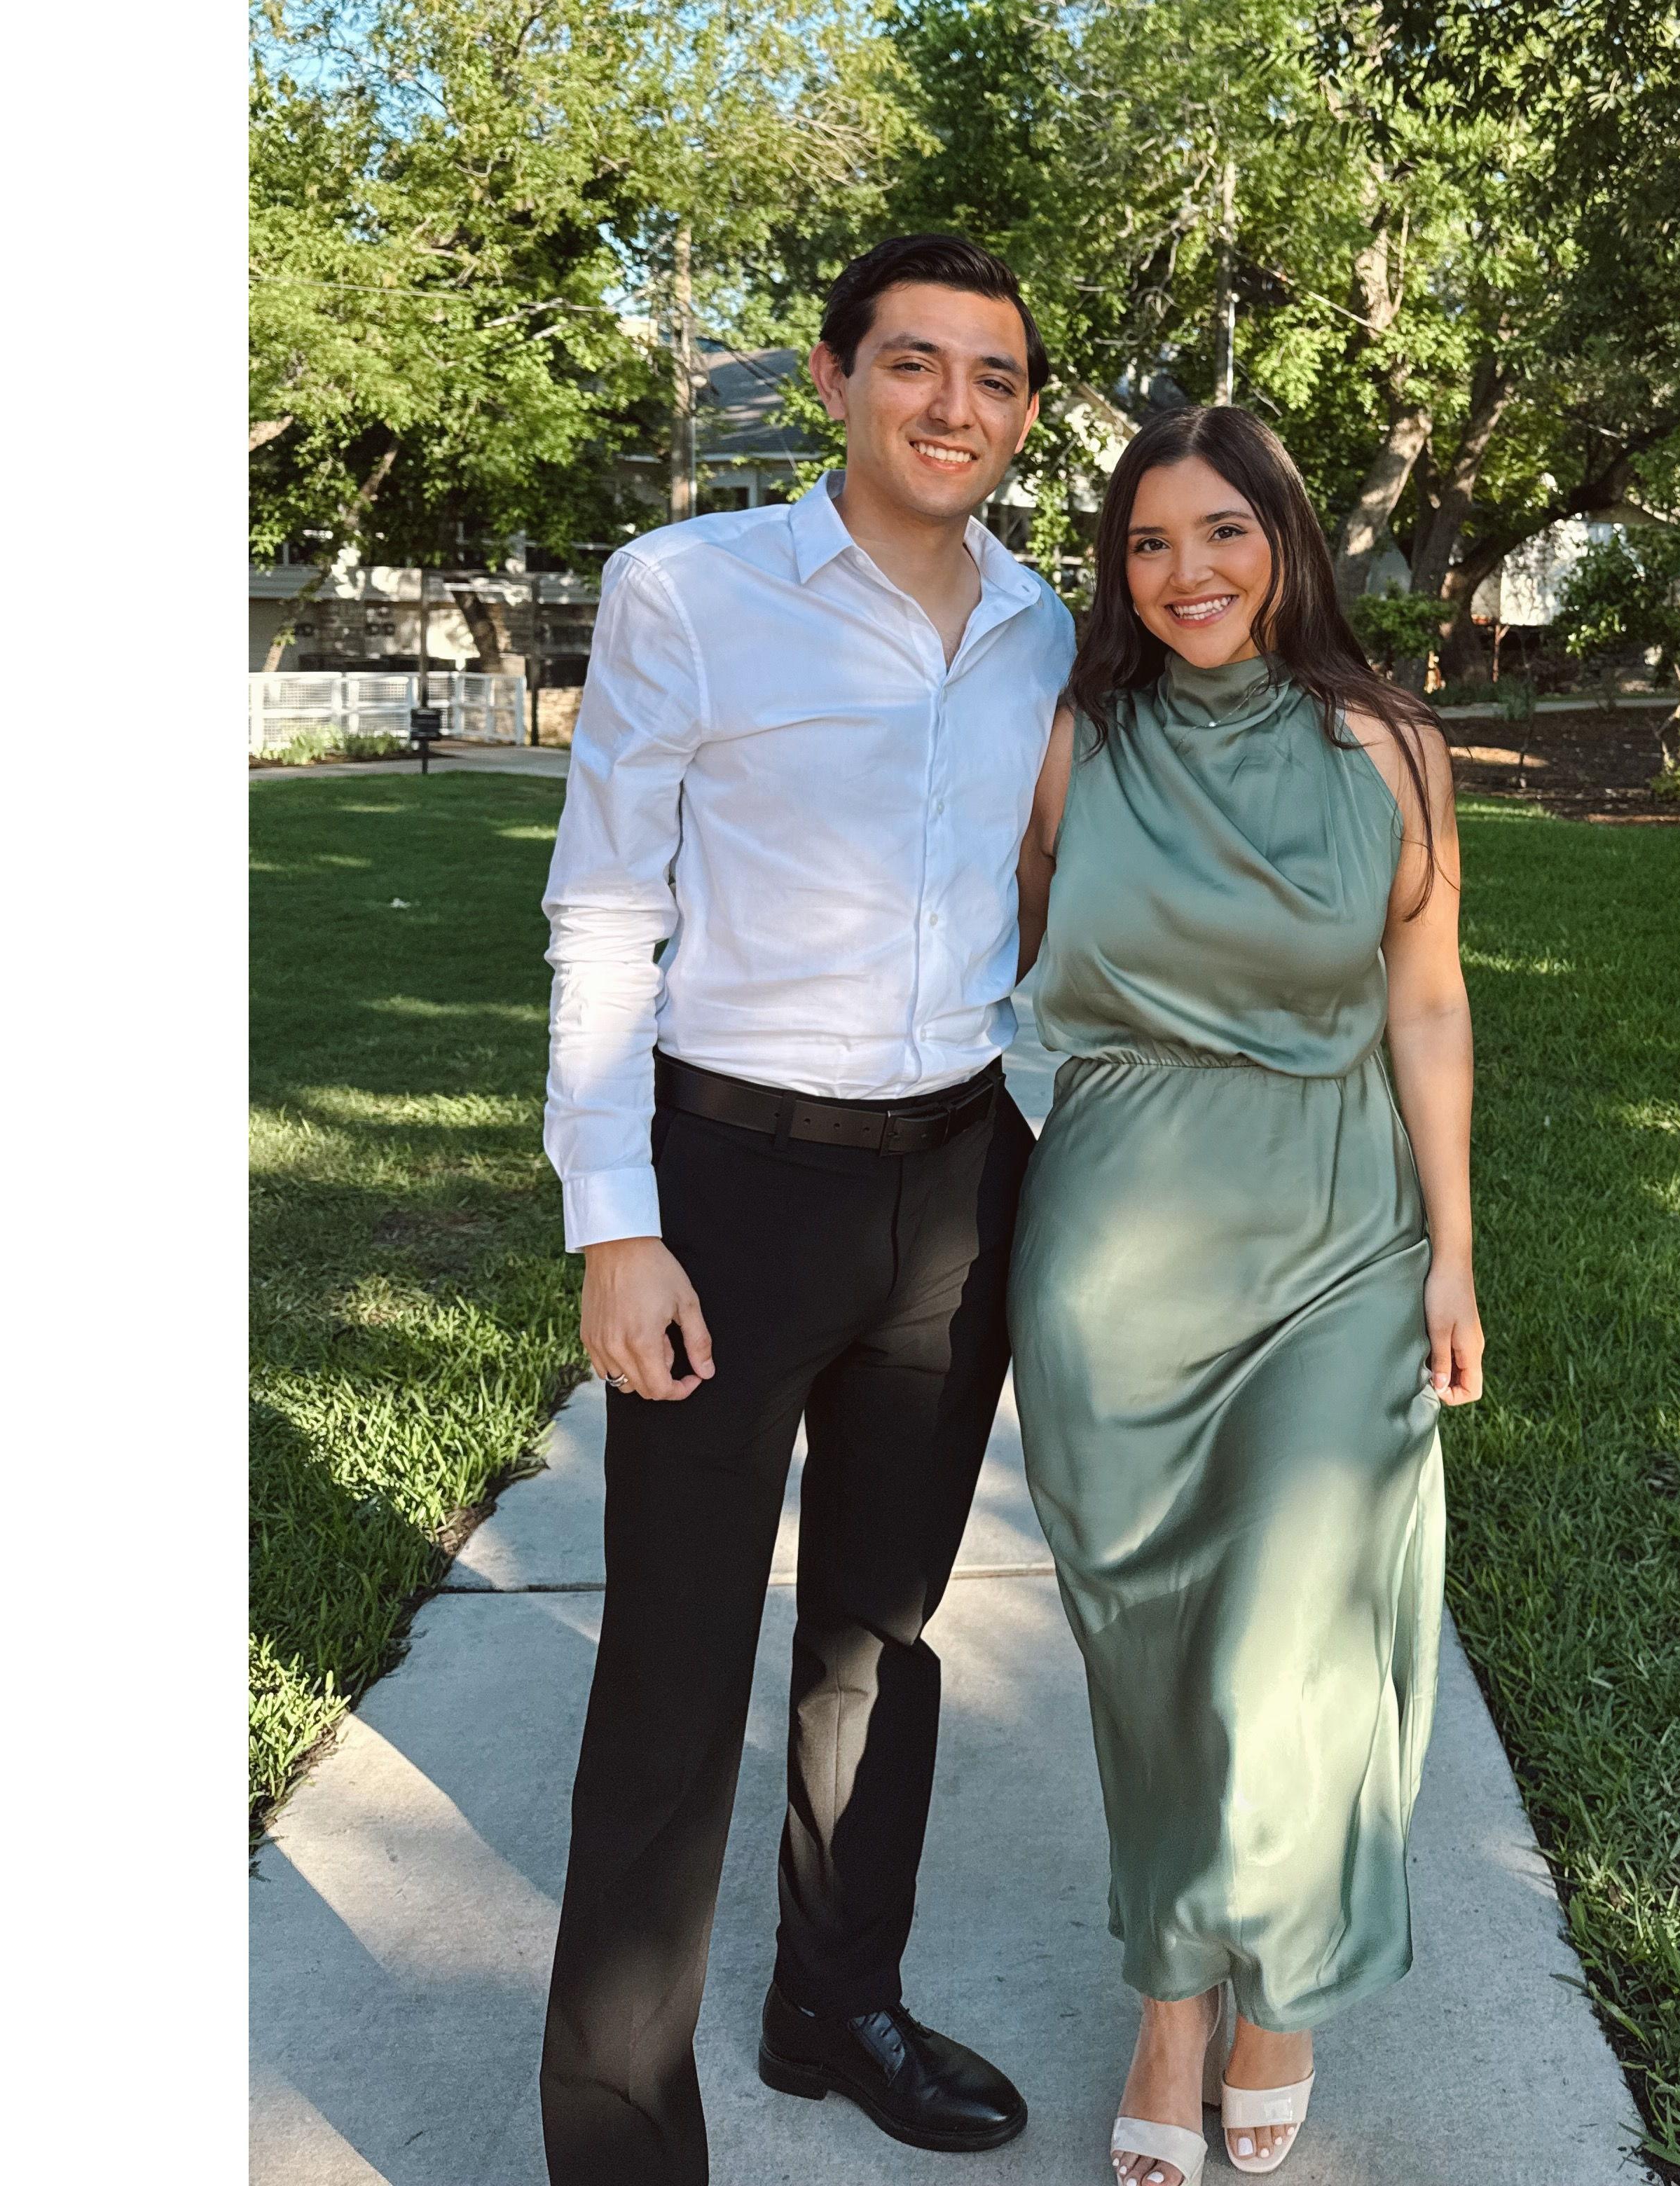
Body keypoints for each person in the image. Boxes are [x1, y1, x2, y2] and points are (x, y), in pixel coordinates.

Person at [536, 233, 1075, 2185]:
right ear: (839, 378)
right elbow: (605, 909)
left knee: (881, 1634)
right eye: (915, 362)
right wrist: (615, 1218)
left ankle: (835, 2001)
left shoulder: (1041, 627)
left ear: (1026, 414)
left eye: (994, 377)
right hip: (728, 1185)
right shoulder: (689, 589)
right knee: (672, 1672)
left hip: (955, 1182)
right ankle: (620, 2140)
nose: (954, 405)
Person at [1007, 404, 1487, 2186]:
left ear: (1287, 539)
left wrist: (1454, 1251)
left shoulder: (1391, 748)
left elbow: (1425, 1002)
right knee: (1152, 1655)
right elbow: (1010, 946)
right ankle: (1171, 1993)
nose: (1186, 571)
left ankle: (1278, 1984)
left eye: (1222, 531)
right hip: (1119, 1251)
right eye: (1148, 542)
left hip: (1338, 1236)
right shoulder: (1077, 740)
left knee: (1292, 1645)